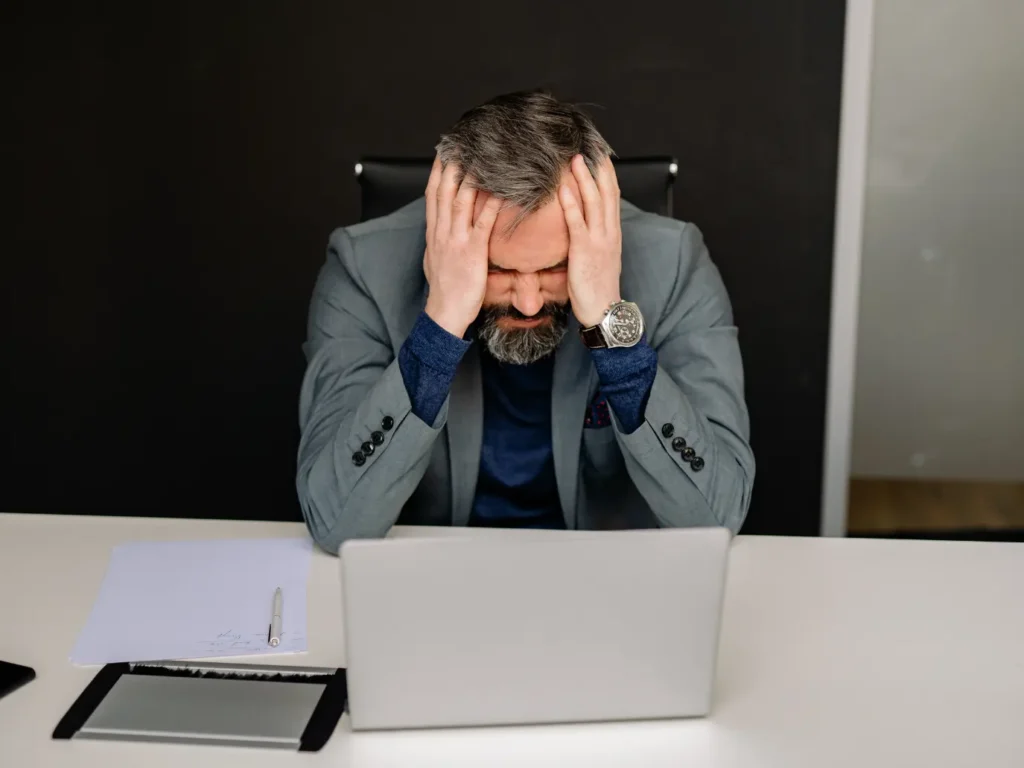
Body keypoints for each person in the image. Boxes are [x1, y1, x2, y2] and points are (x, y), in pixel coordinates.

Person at [296, 90, 754, 554]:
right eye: (499, 270)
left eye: (555, 267)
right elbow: (336, 523)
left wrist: (612, 328)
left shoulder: (675, 263)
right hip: (433, 581)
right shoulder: (362, 267)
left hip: (605, 587)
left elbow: (715, 517)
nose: (531, 303)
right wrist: (441, 323)